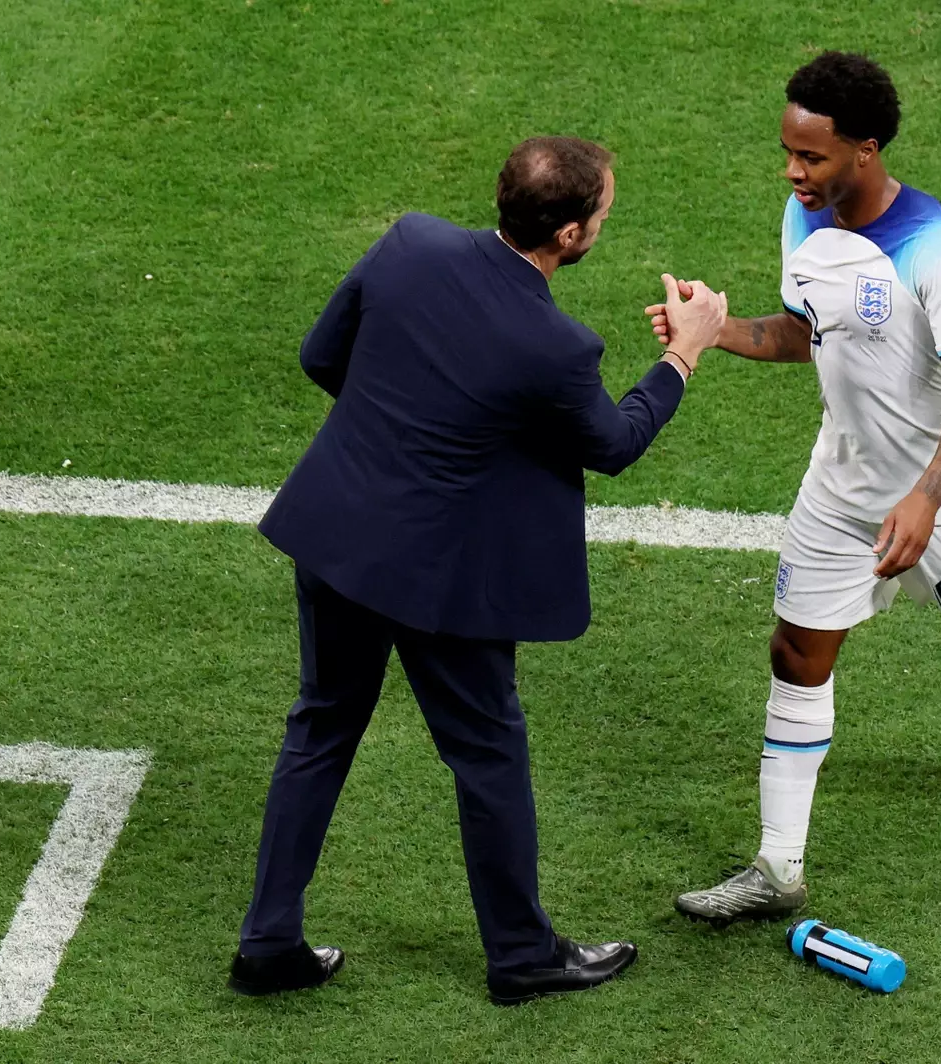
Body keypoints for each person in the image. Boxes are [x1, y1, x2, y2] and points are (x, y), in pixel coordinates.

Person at [227, 136, 727, 1000]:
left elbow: (321, 359)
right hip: (438, 582)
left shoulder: (411, 242)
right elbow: (613, 444)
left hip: (337, 537)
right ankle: (523, 956)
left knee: (319, 729)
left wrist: (410, 422)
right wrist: (686, 351)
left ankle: (268, 941)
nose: (604, 222)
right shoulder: (554, 345)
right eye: (603, 213)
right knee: (488, 753)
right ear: (569, 236)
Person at [647, 52, 941, 924]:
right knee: (796, 653)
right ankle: (777, 869)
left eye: (810, 157)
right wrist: (714, 332)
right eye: (787, 152)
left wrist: (927, 497)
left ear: (864, 149)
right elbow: (806, 332)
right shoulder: (803, 216)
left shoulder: (936, 246)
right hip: (843, 482)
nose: (792, 172)